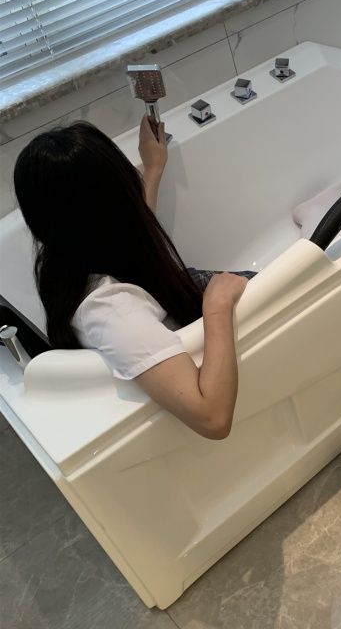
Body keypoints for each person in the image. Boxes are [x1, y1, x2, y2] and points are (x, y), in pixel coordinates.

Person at [14, 117, 253, 439]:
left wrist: (153, 169)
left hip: (180, 291)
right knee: (296, 273)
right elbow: (212, 419)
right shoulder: (111, 311)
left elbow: (129, 232)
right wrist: (217, 306)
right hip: (200, 307)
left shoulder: (63, 259)